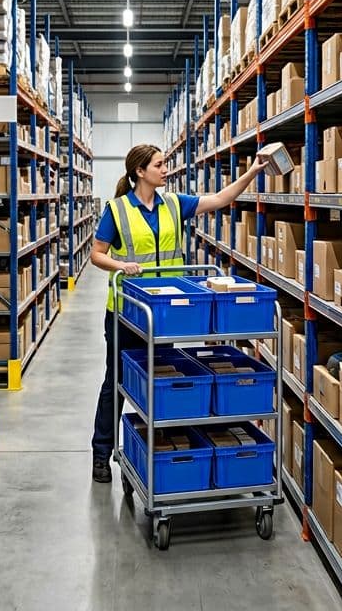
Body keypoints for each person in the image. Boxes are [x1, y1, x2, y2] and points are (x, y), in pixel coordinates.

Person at [88, 143, 271, 483]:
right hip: (127, 310)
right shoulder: (116, 210)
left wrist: (253, 172)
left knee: (164, 379)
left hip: (167, 313)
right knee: (115, 381)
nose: (166, 169)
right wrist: (121, 265)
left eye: (165, 163)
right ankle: (102, 453)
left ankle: (163, 447)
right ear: (140, 172)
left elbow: (220, 200)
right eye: (159, 164)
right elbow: (97, 255)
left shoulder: (174, 203)